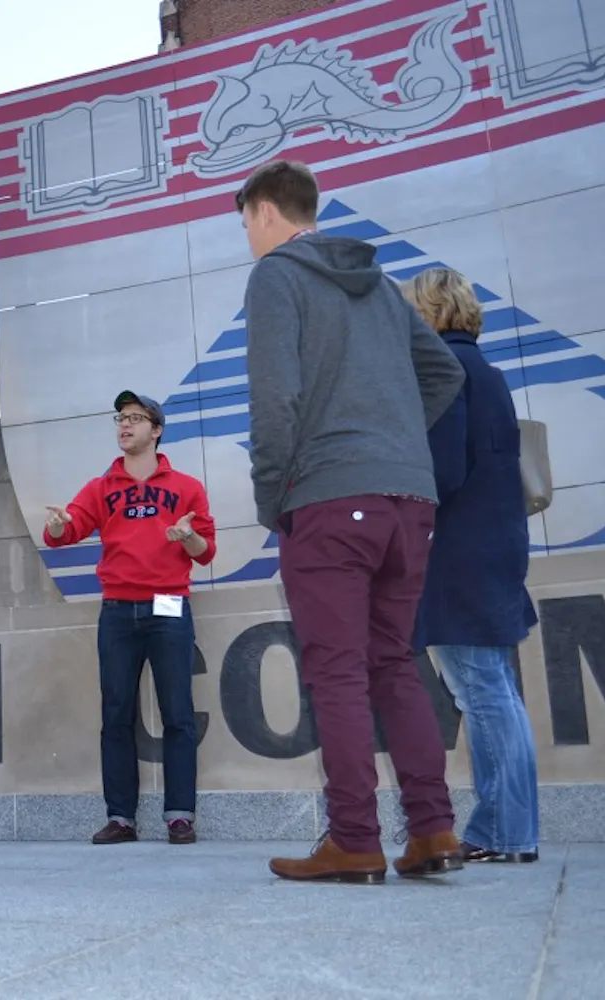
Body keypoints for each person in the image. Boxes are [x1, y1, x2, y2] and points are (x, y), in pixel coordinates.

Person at [238, 159, 468, 883]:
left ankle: (355, 839)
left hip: (332, 500)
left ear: (269, 212)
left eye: (245, 221)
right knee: (393, 665)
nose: (247, 236)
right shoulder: (382, 288)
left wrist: (275, 495)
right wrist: (394, 441)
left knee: (336, 672)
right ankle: (432, 832)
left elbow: (274, 400)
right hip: (409, 502)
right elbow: (446, 374)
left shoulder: (276, 275)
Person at [402, 268, 540, 865]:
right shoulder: (488, 373)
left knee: (481, 692)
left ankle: (507, 831)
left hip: (455, 554)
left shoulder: (444, 373)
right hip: (495, 547)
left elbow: (442, 472)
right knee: (494, 689)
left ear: (428, 310)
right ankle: (503, 829)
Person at [44, 391, 216, 846]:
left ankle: (180, 815)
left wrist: (186, 538)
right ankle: (121, 817)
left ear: (156, 430)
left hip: (168, 607)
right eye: (120, 418)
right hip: (117, 611)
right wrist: (61, 525)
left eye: (135, 418)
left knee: (177, 713)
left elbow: (206, 552)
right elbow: (64, 532)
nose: (125, 425)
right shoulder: (102, 487)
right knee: (115, 715)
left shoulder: (186, 488)